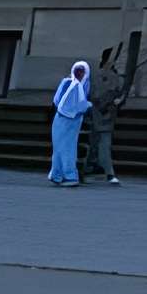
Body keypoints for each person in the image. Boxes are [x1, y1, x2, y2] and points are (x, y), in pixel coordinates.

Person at [80, 44, 129, 185]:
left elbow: (119, 95)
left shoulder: (114, 77)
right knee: (102, 143)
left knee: (96, 143)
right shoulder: (100, 77)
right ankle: (109, 173)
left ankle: (88, 168)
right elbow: (93, 95)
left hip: (104, 114)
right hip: (101, 113)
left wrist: (116, 102)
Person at [47, 61, 89, 188]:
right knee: (60, 147)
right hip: (64, 118)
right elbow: (58, 99)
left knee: (66, 148)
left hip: (70, 119)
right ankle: (57, 174)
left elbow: (58, 100)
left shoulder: (80, 85)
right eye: (78, 71)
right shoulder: (72, 83)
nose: (79, 74)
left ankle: (69, 175)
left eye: (81, 72)